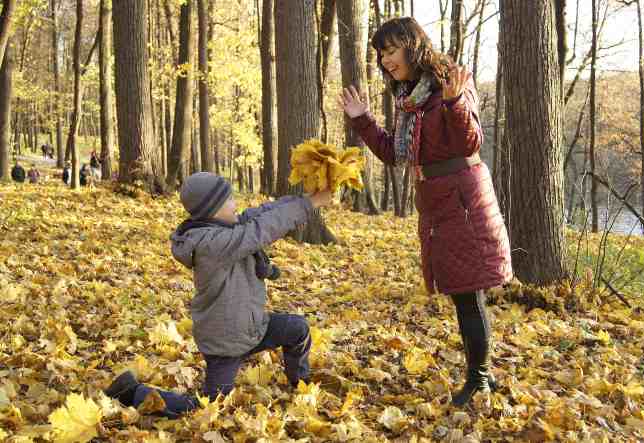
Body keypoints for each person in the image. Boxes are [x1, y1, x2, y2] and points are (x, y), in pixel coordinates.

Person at [338, 17, 513, 407]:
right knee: (462, 293)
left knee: (467, 294)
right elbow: (394, 154)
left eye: (390, 51)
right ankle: (481, 371)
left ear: (412, 45)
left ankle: (479, 380)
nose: (385, 60)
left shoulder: (449, 82)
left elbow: (470, 140)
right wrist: (363, 120)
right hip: (436, 201)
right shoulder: (410, 96)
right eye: (380, 54)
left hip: (462, 200)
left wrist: (454, 103)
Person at [104, 172, 333, 418]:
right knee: (210, 408)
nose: (236, 205)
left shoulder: (223, 228)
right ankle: (132, 392)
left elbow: (262, 214)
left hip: (251, 327)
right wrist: (310, 204)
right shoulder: (211, 244)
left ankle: (300, 383)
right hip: (225, 340)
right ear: (212, 210)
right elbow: (262, 229)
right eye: (229, 200)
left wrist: (304, 198)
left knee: (297, 329)